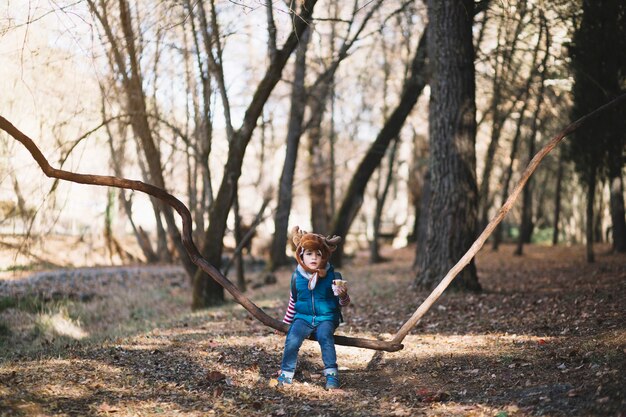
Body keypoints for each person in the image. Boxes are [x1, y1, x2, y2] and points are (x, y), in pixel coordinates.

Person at [277, 226, 351, 390]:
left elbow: (343, 304)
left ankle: (331, 374)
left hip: (326, 317)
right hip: (303, 317)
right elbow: (293, 300)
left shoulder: (333, 276)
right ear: (301, 255)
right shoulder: (297, 276)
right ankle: (286, 374)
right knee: (292, 339)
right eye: (309, 253)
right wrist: (285, 323)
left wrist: (342, 295)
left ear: (324, 255)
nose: (314, 257)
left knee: (325, 337)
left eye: (318, 254)